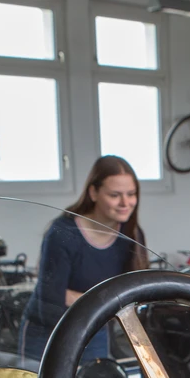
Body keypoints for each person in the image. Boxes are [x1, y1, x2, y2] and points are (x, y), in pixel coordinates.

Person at [19, 156, 148, 365]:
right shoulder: (63, 232)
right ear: (93, 193)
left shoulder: (131, 234)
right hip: (46, 332)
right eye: (115, 195)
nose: (125, 203)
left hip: (94, 327)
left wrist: (75, 296)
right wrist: (105, 301)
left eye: (131, 194)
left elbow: (132, 292)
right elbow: (52, 296)